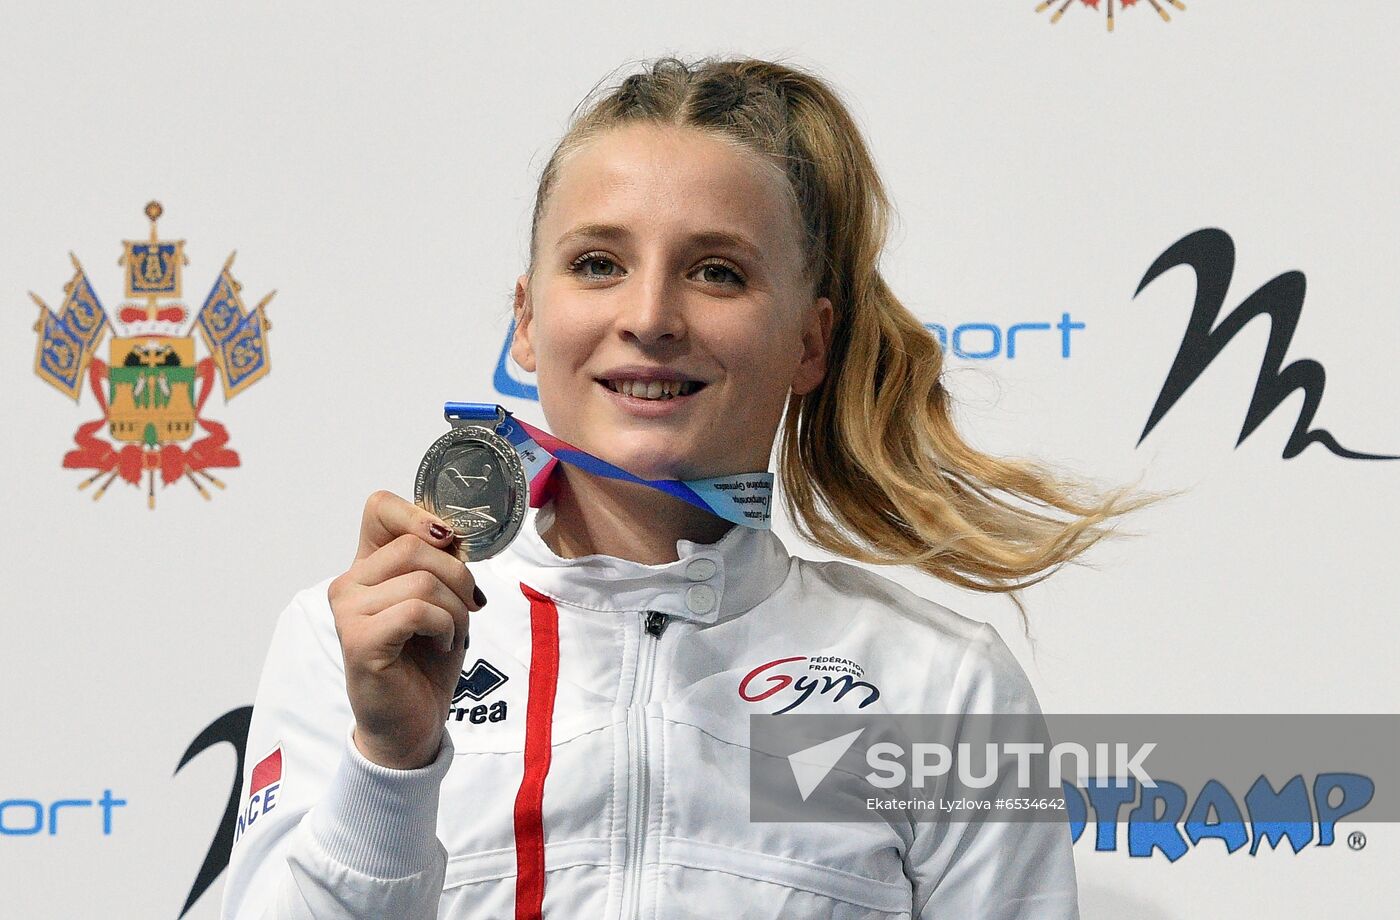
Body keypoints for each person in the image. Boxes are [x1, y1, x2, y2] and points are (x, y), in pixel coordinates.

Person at [220, 55, 1160, 920]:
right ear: (526, 320)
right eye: (598, 264)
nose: (650, 317)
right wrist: (392, 761)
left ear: (810, 341)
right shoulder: (350, 644)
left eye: (718, 272)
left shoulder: (941, 690)